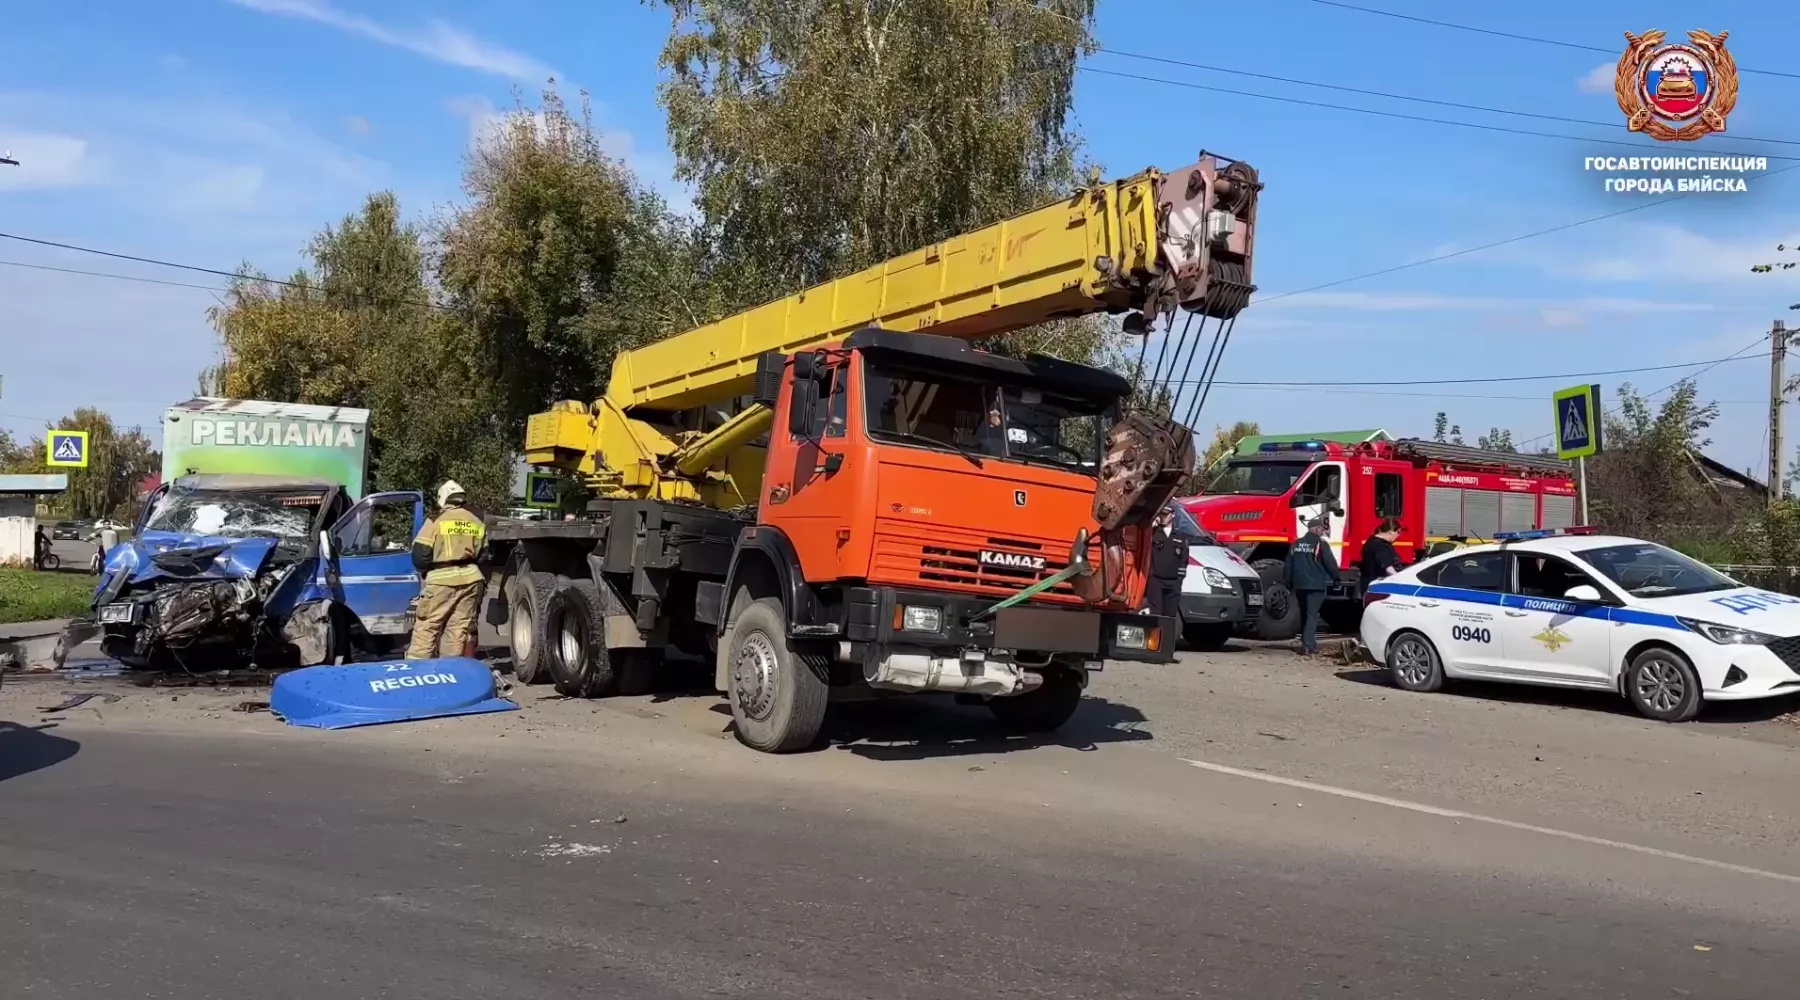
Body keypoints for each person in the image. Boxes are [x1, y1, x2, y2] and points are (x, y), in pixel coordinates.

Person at [406, 481, 488, 660]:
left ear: (442, 499)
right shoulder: (476, 521)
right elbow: (483, 555)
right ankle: (450, 675)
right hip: (471, 580)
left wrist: (429, 569)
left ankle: (416, 674)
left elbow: (420, 557)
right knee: (457, 630)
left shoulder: (435, 520)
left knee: (427, 627)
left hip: (441, 581)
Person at [1284, 514, 1341, 655]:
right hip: (1315, 585)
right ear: (1316, 529)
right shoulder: (1320, 544)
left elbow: (1288, 566)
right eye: (1321, 529)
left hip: (1299, 585)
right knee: (1312, 615)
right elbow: (1330, 563)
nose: (1323, 531)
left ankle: (1306, 642)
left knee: (1305, 613)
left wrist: (1288, 583)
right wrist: (1337, 578)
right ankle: (1309, 646)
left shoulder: (1296, 544)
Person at [1145, 504, 1189, 628]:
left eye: (1166, 514)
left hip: (1173, 582)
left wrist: (1179, 580)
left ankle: (1167, 645)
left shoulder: (1180, 537)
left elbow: (1184, 560)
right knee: (1155, 615)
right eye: (1161, 514)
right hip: (1156, 580)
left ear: (1173, 515)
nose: (1163, 517)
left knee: (1170, 617)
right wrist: (1151, 528)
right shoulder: (1153, 533)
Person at [1359, 517, 1404, 583]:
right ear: (1391, 532)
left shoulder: (1371, 541)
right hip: (1378, 585)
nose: (1399, 535)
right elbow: (1389, 569)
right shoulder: (1380, 546)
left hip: (1368, 583)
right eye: (1398, 532)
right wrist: (1400, 581)